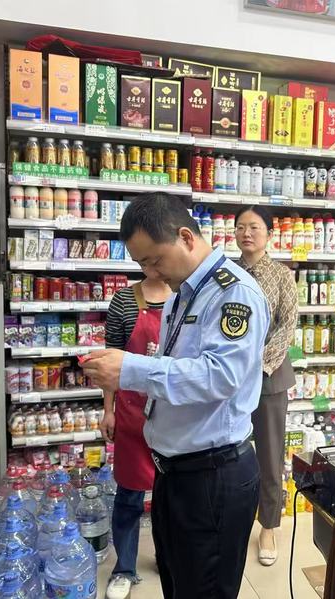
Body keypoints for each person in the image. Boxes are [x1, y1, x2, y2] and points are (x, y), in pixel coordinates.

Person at [82, 192, 271, 599]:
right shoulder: (182, 293)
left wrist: (130, 369)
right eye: (142, 264)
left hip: (213, 476)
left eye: (154, 260)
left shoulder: (233, 293)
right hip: (174, 473)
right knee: (178, 584)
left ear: (185, 237)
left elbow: (221, 376)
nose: (150, 272)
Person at [99, 274, 171, 599]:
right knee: (129, 496)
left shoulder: (185, 297)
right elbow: (109, 362)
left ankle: (167, 559)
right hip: (132, 414)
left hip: (171, 416)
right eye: (145, 259)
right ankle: (124, 568)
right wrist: (108, 410)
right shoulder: (125, 301)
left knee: (170, 497)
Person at [234, 205, 298, 566]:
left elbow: (287, 326)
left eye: (254, 227)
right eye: (241, 227)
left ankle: (269, 526)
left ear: (269, 234)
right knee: (231, 451)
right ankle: (235, 517)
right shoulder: (225, 273)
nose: (247, 233)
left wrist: (256, 366)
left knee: (270, 456)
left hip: (268, 378)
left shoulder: (281, 275)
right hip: (228, 378)